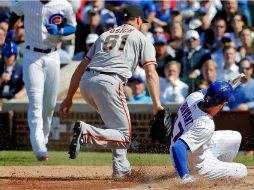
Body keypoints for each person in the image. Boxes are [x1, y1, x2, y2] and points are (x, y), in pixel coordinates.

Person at [59, 5, 164, 179]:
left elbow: (80, 67)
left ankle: (121, 169)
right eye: (142, 22)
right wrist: (157, 104)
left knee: (116, 127)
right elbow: (151, 73)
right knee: (124, 136)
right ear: (138, 20)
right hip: (109, 83)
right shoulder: (141, 38)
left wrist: (69, 97)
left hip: (87, 82)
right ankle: (86, 133)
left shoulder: (104, 35)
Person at [7, 0, 77, 161]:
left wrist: (61, 29)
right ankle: (39, 147)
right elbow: (14, 13)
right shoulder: (27, 2)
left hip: (52, 55)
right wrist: (9, 35)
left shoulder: (63, 5)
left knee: (50, 104)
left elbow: (73, 26)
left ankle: (43, 139)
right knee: (36, 102)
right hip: (32, 56)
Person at [170, 81, 247, 183]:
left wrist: (227, 87)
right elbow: (178, 147)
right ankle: (202, 175)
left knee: (235, 137)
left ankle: (218, 168)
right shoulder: (205, 125)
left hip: (189, 148)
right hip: (192, 164)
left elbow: (210, 91)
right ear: (221, 105)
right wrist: (185, 177)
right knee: (242, 170)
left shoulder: (193, 97)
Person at [0, 41, 25, 110]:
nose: (8, 58)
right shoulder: (0, 67)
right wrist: (1, 80)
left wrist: (20, 94)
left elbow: (26, 87)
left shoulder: (20, 69)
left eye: (11, 55)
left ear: (15, 55)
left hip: (13, 99)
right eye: (6, 55)